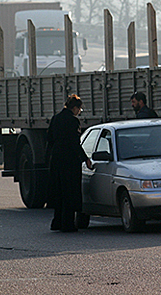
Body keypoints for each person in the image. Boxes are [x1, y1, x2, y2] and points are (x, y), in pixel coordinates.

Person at [46, 94, 93, 232]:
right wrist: (85, 159)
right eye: (80, 109)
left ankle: (57, 221)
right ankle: (67, 224)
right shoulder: (73, 121)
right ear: (75, 108)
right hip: (69, 161)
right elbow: (75, 143)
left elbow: (49, 138)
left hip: (56, 159)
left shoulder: (55, 118)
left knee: (58, 190)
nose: (79, 112)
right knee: (70, 192)